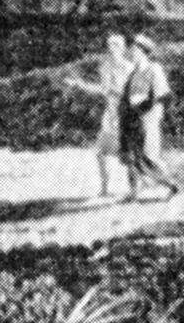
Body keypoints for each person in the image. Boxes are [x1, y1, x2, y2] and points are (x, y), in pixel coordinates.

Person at [63, 32, 131, 199]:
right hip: (111, 114)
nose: (112, 49)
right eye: (110, 46)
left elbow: (130, 92)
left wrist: (115, 93)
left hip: (125, 113)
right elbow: (102, 90)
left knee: (128, 153)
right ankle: (105, 188)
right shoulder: (105, 67)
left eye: (116, 46)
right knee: (101, 153)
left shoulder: (129, 68)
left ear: (123, 48)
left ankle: (135, 189)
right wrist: (79, 85)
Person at [118, 33, 178, 202]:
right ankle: (134, 192)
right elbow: (126, 96)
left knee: (149, 155)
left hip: (147, 117)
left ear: (143, 52)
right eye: (131, 50)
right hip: (132, 117)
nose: (131, 53)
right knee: (131, 156)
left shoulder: (154, 69)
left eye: (135, 50)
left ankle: (171, 185)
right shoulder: (133, 73)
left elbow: (162, 95)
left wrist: (146, 110)